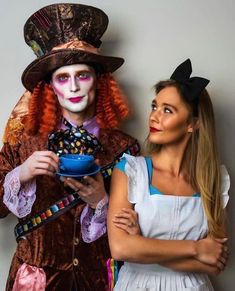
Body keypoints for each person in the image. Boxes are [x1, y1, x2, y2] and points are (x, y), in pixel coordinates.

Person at [0, 3, 140, 291]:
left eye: (83, 76)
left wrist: (103, 201)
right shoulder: (23, 140)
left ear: (99, 83)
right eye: (63, 78)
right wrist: (22, 173)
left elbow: (140, 226)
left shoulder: (126, 148)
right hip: (35, 281)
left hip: (98, 280)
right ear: (51, 87)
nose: (74, 87)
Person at [107, 59, 230, 291]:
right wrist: (196, 249)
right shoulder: (130, 170)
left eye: (167, 110)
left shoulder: (213, 181)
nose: (154, 117)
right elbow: (121, 249)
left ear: (192, 124)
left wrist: (142, 243)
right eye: (154, 106)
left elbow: (215, 263)